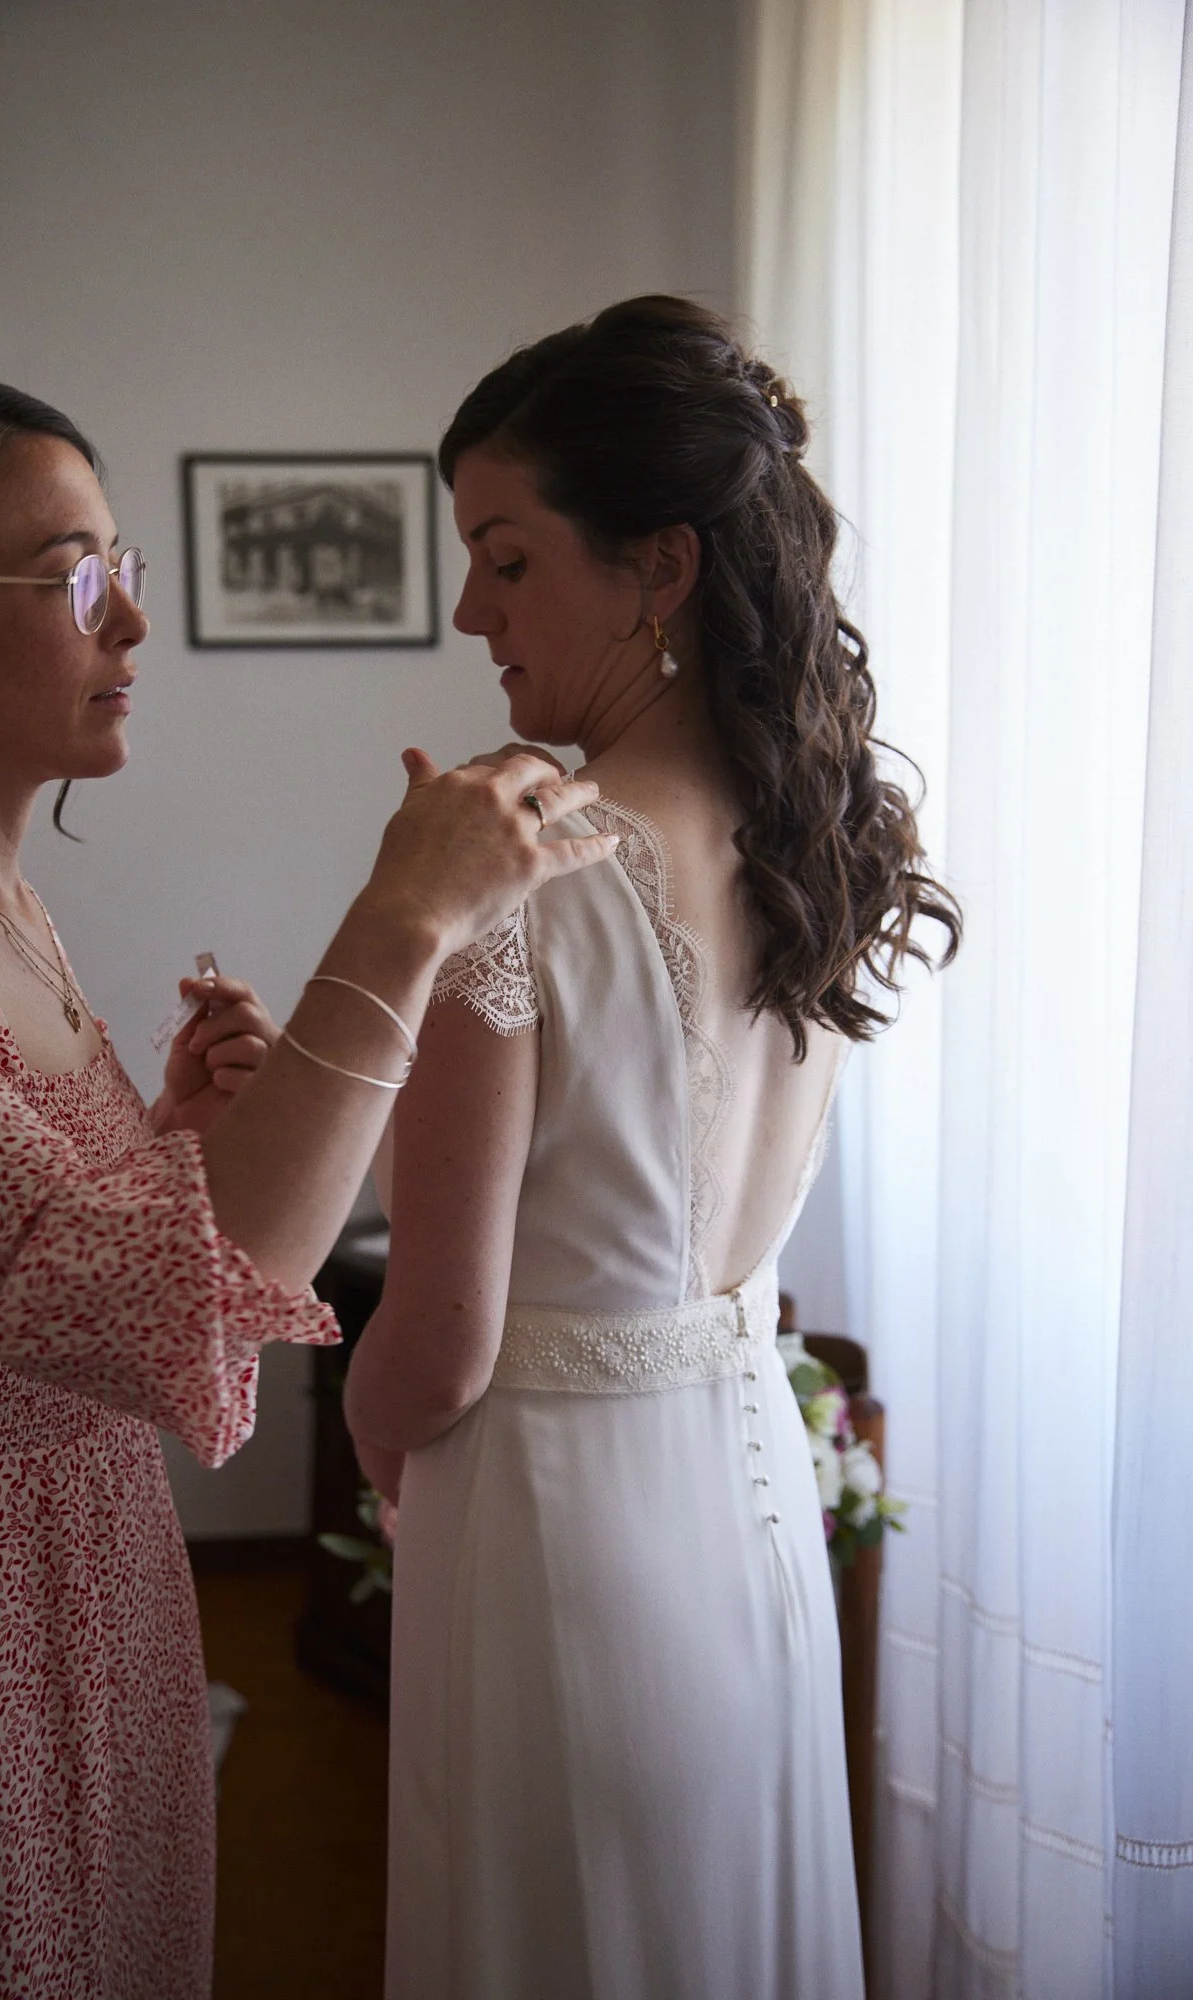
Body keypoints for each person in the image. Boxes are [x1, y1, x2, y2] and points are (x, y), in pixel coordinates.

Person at [0, 369, 613, 2000]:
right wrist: (401, 921)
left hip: (97, 1584)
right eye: (72, 575)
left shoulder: (2, 911)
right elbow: (160, 1312)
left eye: (125, 563)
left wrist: (179, 1141)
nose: (131, 622)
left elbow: (56, 1264)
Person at [344, 295, 962, 2000]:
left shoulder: (512, 870)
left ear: (660, 567)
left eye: (507, 557)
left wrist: (376, 1442)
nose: (469, 610)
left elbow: (440, 1341)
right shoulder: (805, 834)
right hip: (744, 1503)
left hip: (552, 1531)